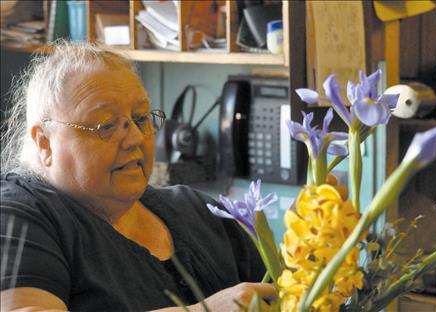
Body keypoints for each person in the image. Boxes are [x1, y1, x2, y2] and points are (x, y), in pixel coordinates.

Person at [0, 41, 275, 311]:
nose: (134, 138)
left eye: (141, 119)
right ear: (45, 142)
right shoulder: (19, 215)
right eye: (106, 125)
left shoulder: (199, 210)